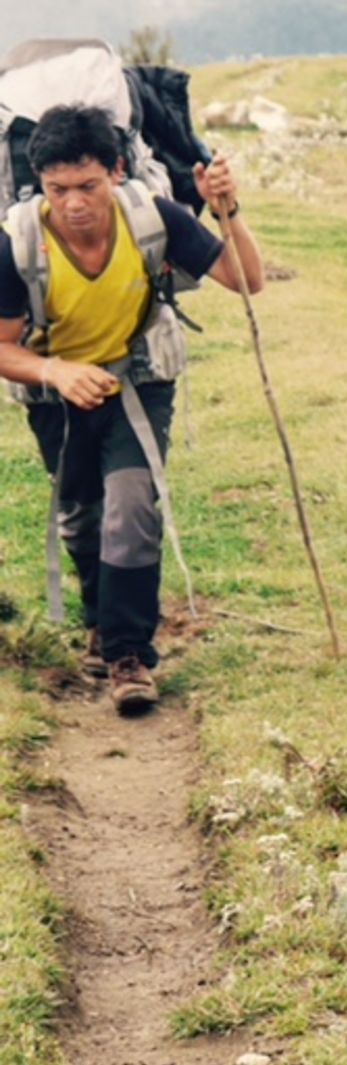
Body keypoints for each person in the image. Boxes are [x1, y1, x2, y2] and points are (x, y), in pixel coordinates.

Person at [0, 104, 264, 711]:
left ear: (117, 172)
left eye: (88, 185)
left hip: (137, 379)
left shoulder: (153, 218)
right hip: (55, 393)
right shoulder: (17, 244)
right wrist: (56, 372)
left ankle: (127, 655)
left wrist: (229, 211)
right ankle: (99, 620)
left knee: (130, 507)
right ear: (39, 183)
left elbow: (247, 280)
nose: (73, 204)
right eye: (58, 189)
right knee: (82, 516)